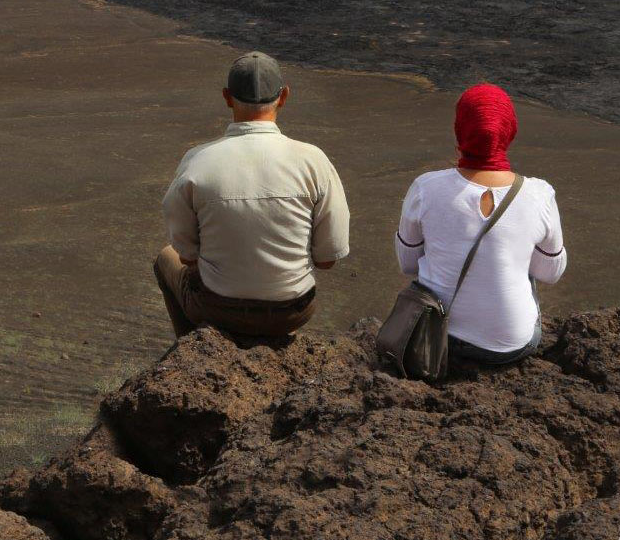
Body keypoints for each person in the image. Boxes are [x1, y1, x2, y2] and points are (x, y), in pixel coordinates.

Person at [156, 51, 350, 338]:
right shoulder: (314, 161)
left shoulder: (196, 161)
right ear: (284, 96)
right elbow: (327, 260)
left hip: (219, 309)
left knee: (165, 258)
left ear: (226, 97)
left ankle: (193, 344)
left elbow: (187, 256)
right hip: (292, 311)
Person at [394, 83, 567, 364]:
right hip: (514, 346)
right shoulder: (540, 194)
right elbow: (551, 273)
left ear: (459, 129)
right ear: (510, 130)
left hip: (438, 337)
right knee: (524, 262)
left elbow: (408, 264)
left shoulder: (425, 188)